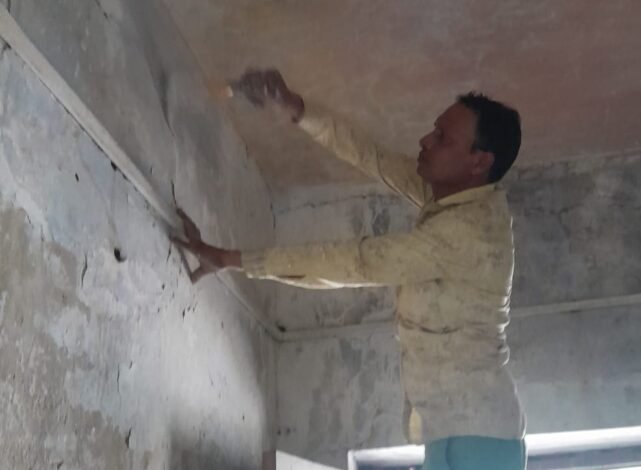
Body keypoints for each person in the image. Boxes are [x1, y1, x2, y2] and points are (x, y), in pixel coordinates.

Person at [173, 69, 526, 470]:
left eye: (443, 138)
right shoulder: (453, 196)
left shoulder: (469, 232)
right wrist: (295, 107)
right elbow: (373, 158)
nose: (426, 140)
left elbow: (356, 262)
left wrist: (229, 258)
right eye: (435, 130)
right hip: (457, 428)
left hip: (481, 434)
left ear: (479, 161)